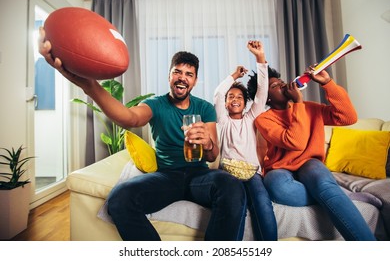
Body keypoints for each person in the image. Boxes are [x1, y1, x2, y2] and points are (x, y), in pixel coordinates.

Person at [38, 27, 247, 241]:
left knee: (232, 186)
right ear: (169, 76)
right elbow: (129, 118)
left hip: (199, 176)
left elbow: (213, 157)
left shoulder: (204, 108)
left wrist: (209, 144)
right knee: (119, 199)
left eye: (188, 74)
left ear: (194, 80)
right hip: (167, 176)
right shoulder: (155, 104)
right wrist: (90, 86)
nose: (182, 78)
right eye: (177, 72)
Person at [251, 65, 376, 241]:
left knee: (322, 183)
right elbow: (295, 141)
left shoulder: (311, 108)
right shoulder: (264, 119)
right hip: (280, 167)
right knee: (277, 187)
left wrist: (327, 83)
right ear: (267, 98)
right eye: (274, 86)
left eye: (280, 81)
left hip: (309, 162)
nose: (282, 84)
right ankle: (339, 195)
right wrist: (298, 104)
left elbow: (349, 117)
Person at [213, 40, 277, 241]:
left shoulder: (251, 117)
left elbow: (262, 93)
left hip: (252, 173)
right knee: (236, 205)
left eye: (239, 97)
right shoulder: (222, 120)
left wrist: (260, 58)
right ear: (226, 103)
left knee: (262, 202)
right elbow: (217, 94)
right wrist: (233, 76)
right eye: (230, 96)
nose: (234, 99)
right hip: (229, 175)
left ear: (245, 102)